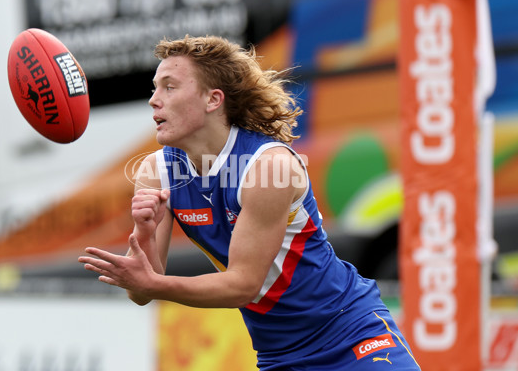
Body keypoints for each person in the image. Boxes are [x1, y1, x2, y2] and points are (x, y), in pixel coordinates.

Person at [78, 35, 421, 370]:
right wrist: (144, 230)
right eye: (155, 87)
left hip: (349, 330)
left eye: (169, 86)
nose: (154, 99)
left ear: (213, 100)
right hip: (280, 354)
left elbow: (242, 285)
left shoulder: (268, 166)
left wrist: (153, 284)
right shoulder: (156, 172)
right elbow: (142, 290)